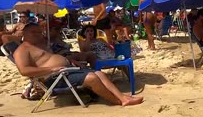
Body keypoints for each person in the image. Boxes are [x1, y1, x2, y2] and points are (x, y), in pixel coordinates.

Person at [13, 23, 143, 106]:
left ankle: (123, 97)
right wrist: (52, 68)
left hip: (65, 71)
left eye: (38, 31)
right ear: (24, 34)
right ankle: (117, 101)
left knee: (99, 73)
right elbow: (24, 70)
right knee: (92, 78)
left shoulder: (41, 45)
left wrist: (69, 61)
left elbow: (53, 57)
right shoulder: (22, 50)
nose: (38, 34)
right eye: (33, 32)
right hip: (53, 78)